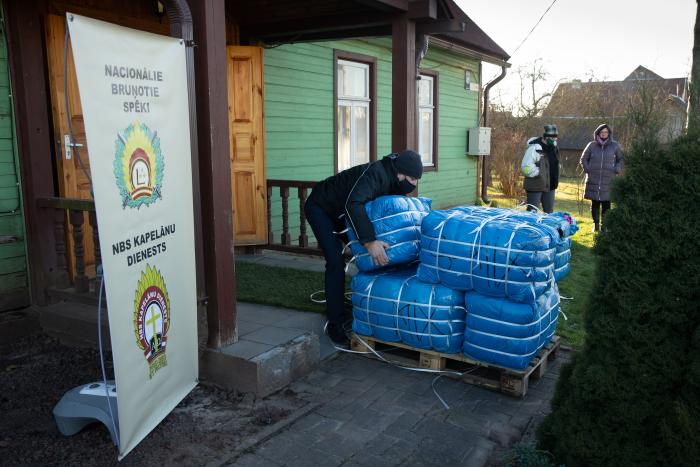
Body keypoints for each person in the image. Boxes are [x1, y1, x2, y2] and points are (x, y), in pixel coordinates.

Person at [304, 150, 423, 346]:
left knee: (366, 257)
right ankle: (335, 323)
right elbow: (353, 204)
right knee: (335, 261)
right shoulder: (376, 174)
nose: (414, 184)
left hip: (342, 212)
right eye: (412, 179)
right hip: (321, 207)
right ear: (400, 173)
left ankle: (367, 306)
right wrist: (369, 242)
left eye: (417, 179)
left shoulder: (394, 180)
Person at [580, 124, 624, 232]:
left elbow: (621, 159)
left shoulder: (615, 146)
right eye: (602, 132)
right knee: (595, 203)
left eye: (606, 132)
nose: (604, 134)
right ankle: (595, 225)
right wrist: (588, 169)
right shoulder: (591, 145)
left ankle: (604, 226)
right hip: (593, 179)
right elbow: (583, 159)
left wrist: (617, 169)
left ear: (609, 133)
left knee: (606, 204)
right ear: (598, 133)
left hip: (609, 179)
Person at [521, 124, 561, 213]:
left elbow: (556, 163)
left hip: (550, 185)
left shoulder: (554, 148)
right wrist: (539, 173)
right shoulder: (534, 148)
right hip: (535, 185)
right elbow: (526, 167)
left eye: (556, 137)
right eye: (553, 137)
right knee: (532, 213)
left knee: (549, 212)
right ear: (546, 137)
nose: (555, 139)